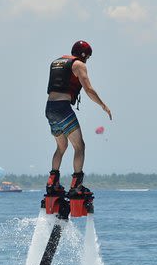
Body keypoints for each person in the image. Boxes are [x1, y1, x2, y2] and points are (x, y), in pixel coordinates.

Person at [45, 40, 112, 198]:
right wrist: (103, 105)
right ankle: (76, 186)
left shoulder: (56, 62)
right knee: (79, 146)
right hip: (62, 108)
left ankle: (52, 184)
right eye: (87, 57)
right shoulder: (78, 65)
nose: (87, 60)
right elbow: (88, 89)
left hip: (49, 108)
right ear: (84, 55)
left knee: (61, 147)